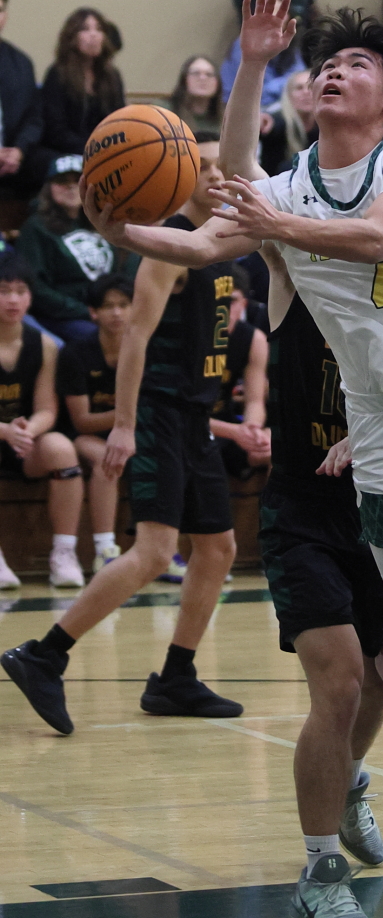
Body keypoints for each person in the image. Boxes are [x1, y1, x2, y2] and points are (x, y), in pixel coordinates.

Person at [80, 0, 383, 860]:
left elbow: (374, 236)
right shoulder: (283, 190)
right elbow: (205, 239)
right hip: (381, 425)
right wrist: (120, 228)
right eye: (324, 62)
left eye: (356, 63)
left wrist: (272, 224)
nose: (334, 70)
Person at [1, 134, 242, 735]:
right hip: (161, 412)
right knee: (155, 552)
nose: (216, 175)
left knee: (217, 548)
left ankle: (176, 677)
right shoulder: (168, 247)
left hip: (194, 417)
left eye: (222, 165)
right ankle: (45, 654)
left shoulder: (225, 238)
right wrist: (127, 425)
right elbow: (134, 337)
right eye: (203, 167)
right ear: (178, 176)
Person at [253, 237, 383, 915]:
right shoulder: (291, 275)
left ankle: (349, 782)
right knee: (339, 684)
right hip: (302, 513)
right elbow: (247, 195)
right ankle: (320, 871)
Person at [0, 254, 86, 590]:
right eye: (4, 291)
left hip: (22, 443)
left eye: (21, 291)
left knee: (61, 447)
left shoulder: (45, 345)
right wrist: (6, 431)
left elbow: (47, 410)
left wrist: (27, 431)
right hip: (5, 435)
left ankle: (64, 553)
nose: (13, 299)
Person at [56, 274, 133, 574]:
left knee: (164, 453)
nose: (116, 313)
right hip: (83, 435)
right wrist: (131, 413)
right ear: (93, 312)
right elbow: (82, 421)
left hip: (131, 431)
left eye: (124, 305)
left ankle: (164, 549)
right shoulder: (75, 353)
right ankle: (105, 549)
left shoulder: (146, 350)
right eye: (108, 306)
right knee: (106, 457)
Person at [15, 155, 131, 341]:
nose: (71, 186)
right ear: (49, 187)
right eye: (62, 181)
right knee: (100, 338)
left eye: (78, 181)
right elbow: (35, 287)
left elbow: (118, 275)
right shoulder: (35, 228)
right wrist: (85, 311)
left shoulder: (101, 223)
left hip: (107, 312)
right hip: (62, 317)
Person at [38, 8, 125, 176]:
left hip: (104, 151)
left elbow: (119, 121)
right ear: (72, 38)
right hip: (66, 152)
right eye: (85, 29)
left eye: (98, 29)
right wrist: (93, 150)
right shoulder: (58, 74)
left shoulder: (112, 76)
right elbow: (55, 130)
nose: (93, 35)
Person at [209, 263, 270, 477]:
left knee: (268, 450)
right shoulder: (188, 334)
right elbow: (182, 414)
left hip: (224, 424)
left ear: (243, 303)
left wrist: (252, 430)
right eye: (218, 301)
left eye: (231, 301)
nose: (223, 309)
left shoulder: (254, 339)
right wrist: (236, 432)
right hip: (184, 428)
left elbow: (255, 401)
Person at [0, 0, 43, 201]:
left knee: (54, 169)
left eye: (0, 10)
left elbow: (34, 118)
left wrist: (18, 150)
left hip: (12, 159)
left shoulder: (21, 63)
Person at [259, 69, 318, 175]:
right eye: (299, 88)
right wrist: (263, 122)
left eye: (311, 87)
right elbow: (271, 123)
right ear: (289, 95)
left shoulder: (326, 124)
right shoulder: (278, 120)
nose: (306, 92)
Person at [163, 56, 223, 136]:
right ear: (184, 80)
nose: (202, 78)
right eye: (196, 73)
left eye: (209, 74)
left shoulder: (228, 116)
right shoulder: (164, 111)